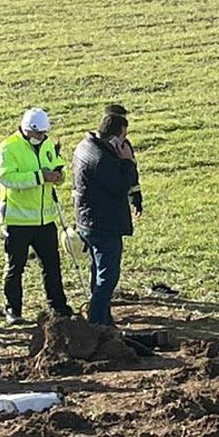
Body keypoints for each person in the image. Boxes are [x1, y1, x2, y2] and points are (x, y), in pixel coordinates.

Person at [0, 107, 71, 324]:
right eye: (39, 133)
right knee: (15, 267)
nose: (43, 137)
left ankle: (58, 306)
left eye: (45, 133)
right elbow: (7, 178)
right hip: (17, 220)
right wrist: (40, 177)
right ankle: (13, 310)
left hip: (45, 219)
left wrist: (59, 176)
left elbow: (58, 165)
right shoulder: (8, 148)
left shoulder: (46, 143)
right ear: (28, 130)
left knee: (51, 265)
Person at [71, 109, 142, 328]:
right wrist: (128, 162)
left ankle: (103, 317)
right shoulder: (102, 158)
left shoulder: (87, 147)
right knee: (108, 276)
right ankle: (95, 321)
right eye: (123, 137)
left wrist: (136, 194)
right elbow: (120, 185)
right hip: (103, 224)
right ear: (114, 137)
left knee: (98, 270)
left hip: (89, 221)